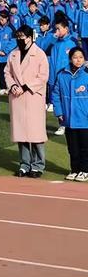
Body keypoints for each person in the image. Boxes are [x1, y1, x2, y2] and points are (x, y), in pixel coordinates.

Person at [4, 25, 49, 178]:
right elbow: (7, 72)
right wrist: (13, 85)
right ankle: (24, 164)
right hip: (17, 97)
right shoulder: (13, 54)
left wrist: (25, 87)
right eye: (18, 37)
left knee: (35, 134)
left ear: (30, 38)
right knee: (21, 133)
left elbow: (43, 76)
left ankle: (37, 165)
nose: (20, 40)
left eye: (22, 37)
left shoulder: (40, 54)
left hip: (32, 96)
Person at [53, 47, 88, 181]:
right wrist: (59, 112)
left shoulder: (86, 74)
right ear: (70, 59)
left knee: (85, 147)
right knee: (73, 147)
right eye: (75, 57)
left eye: (81, 57)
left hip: (84, 118)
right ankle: (74, 169)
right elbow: (55, 94)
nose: (78, 60)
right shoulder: (62, 75)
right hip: (68, 118)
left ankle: (85, 170)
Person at [48, 17, 78, 135]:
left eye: (58, 29)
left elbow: (78, 59)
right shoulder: (54, 41)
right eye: (55, 29)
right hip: (55, 77)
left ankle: (73, 123)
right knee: (58, 101)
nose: (56, 32)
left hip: (69, 77)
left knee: (70, 100)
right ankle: (62, 124)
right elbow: (43, 47)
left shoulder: (73, 41)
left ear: (66, 29)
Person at [0, 11, 16, 94]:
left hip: (7, 56)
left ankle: (9, 87)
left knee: (9, 73)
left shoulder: (11, 28)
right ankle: (2, 87)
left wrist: (5, 51)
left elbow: (13, 41)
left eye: (2, 19)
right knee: (0, 73)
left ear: (7, 19)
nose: (0, 21)